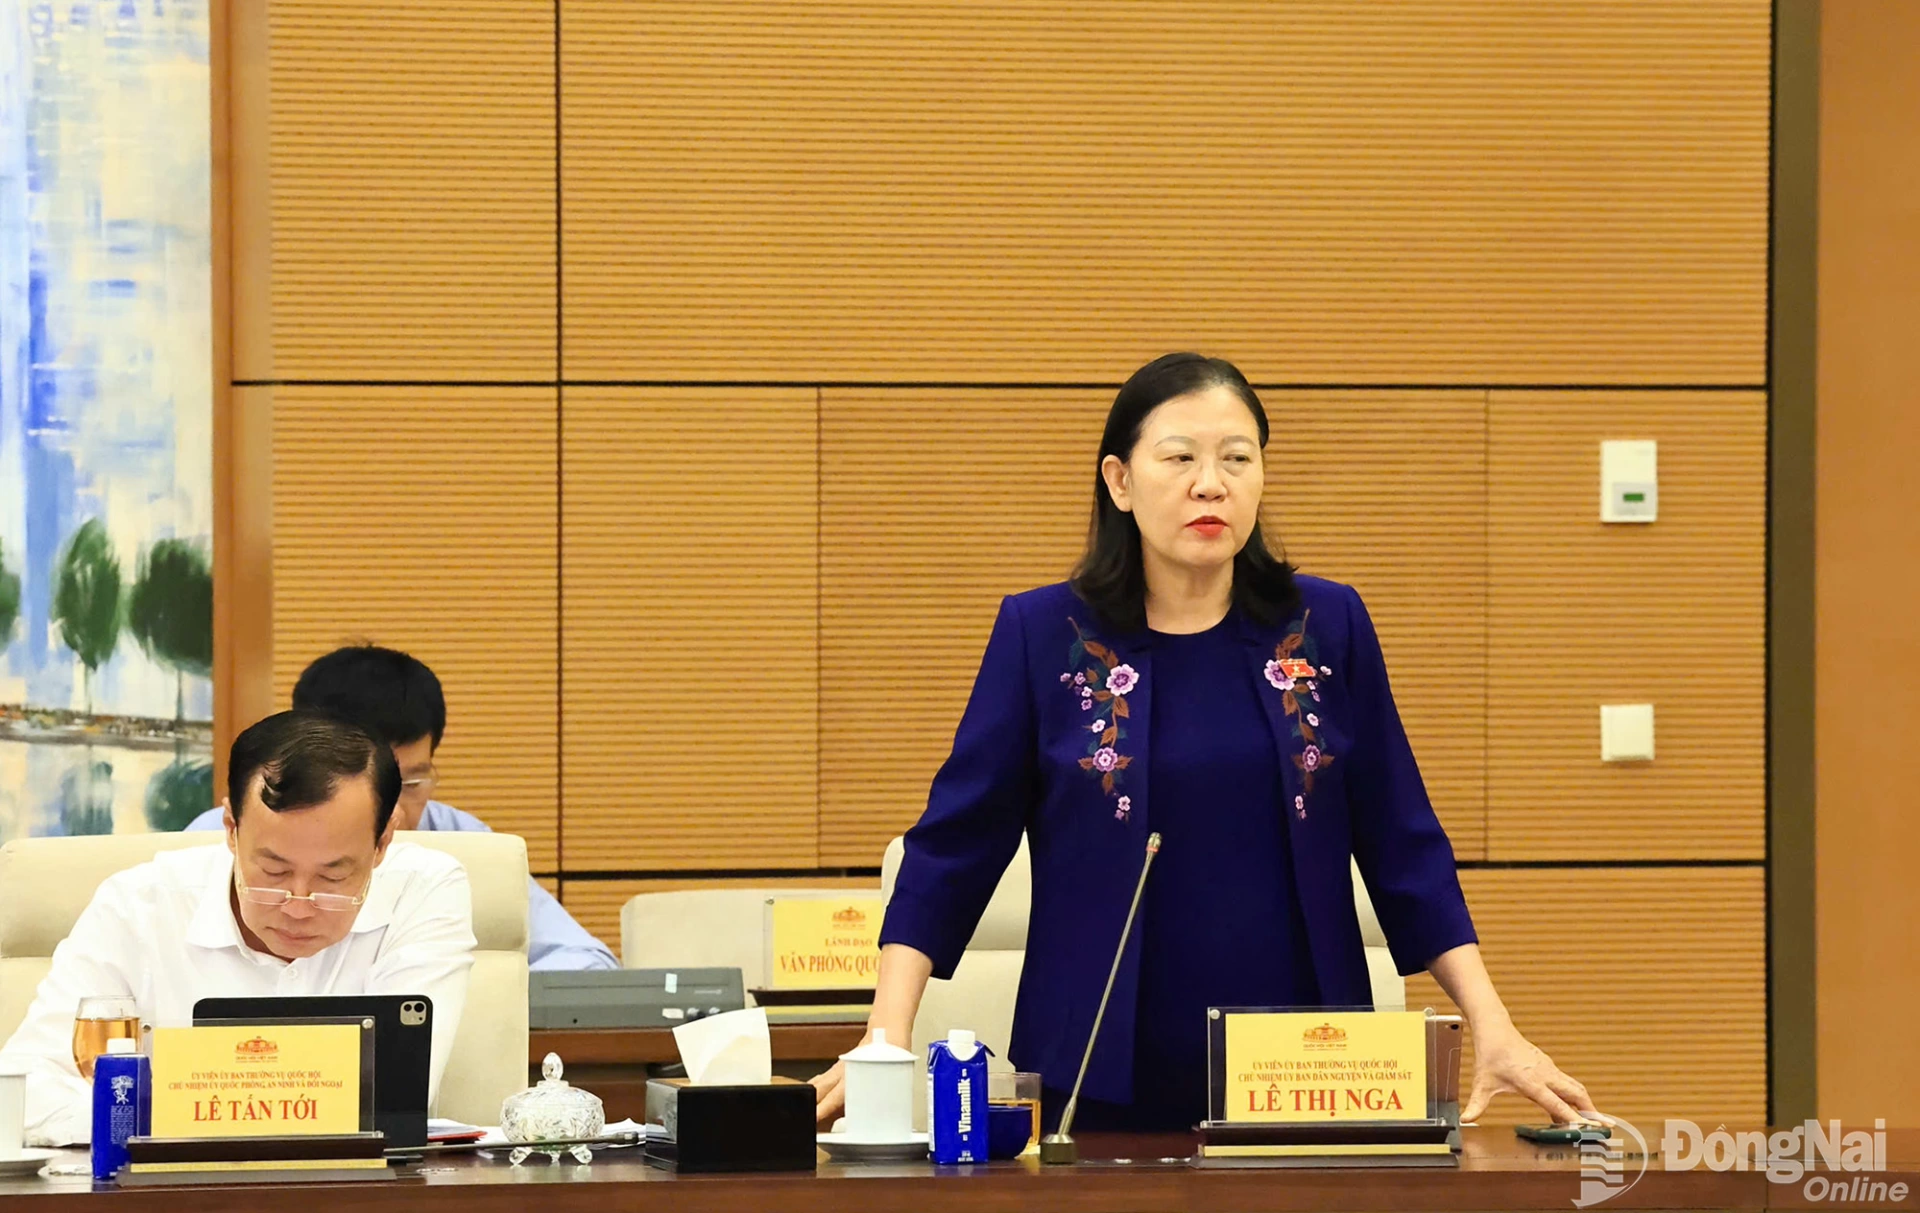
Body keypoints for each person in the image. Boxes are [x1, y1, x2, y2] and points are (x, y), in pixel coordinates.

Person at [811, 353, 1599, 1131]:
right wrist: (884, 1036)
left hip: (1309, 1071)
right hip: (1101, 1073)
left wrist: (1493, 1022)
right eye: (1180, 457)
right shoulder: (1045, 635)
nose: (1210, 483)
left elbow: (1402, 840)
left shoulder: (1324, 627)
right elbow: (954, 846)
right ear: (1120, 481)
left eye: (1236, 457)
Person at [0, 711, 476, 1146]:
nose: (298, 906)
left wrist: (183, 1108)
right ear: (230, 827)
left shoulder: (424, 891)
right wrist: (179, 1116)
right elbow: (23, 1091)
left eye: (333, 877)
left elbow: (393, 1095)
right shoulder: (138, 905)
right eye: (273, 872)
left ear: (383, 841)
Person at [187, 646, 619, 971]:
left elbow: (586, 962)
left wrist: (463, 991)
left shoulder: (464, 842)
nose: (393, 810)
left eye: (411, 783)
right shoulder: (217, 839)